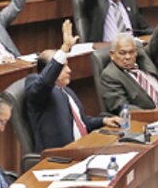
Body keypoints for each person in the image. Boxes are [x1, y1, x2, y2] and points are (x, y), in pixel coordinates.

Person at [25, 20, 119, 152]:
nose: (69, 70)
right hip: (59, 157)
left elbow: (81, 122)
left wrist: (103, 121)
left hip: (82, 149)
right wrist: (64, 49)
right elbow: (44, 82)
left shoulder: (66, 91)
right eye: (63, 67)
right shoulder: (35, 86)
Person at [99, 0, 158, 113]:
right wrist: (154, 115)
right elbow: (122, 107)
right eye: (122, 53)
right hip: (152, 121)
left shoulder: (142, 57)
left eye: (131, 52)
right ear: (112, 55)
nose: (128, 57)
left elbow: (157, 42)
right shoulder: (110, 76)